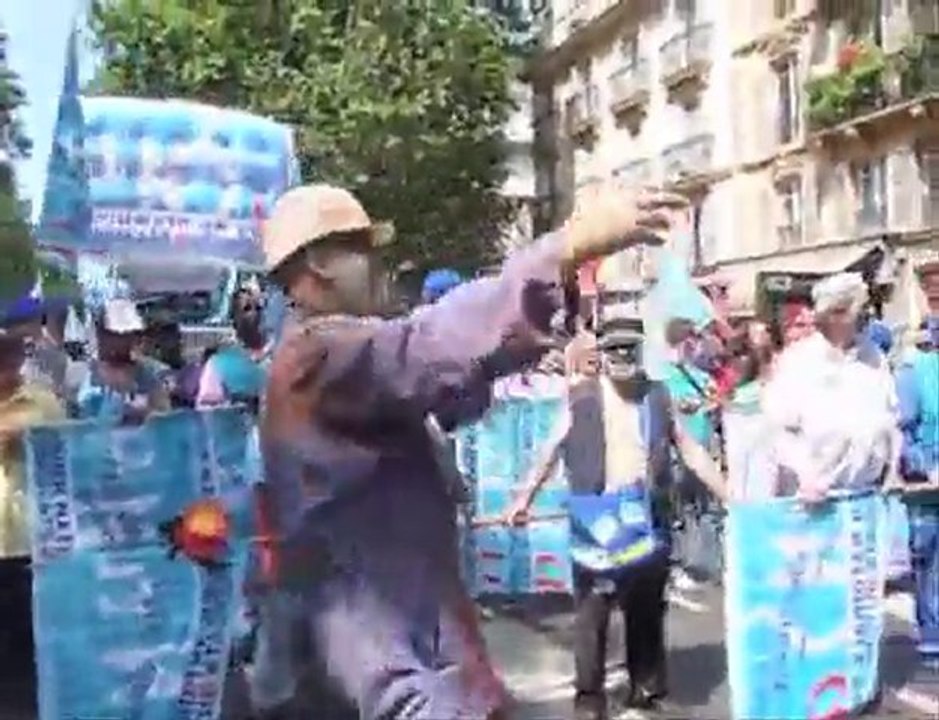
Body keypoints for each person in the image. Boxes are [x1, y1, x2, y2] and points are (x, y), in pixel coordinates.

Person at [260, 181, 686, 719]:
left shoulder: (330, 352)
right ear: (320, 263)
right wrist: (562, 248)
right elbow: (432, 345)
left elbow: (451, 388)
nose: (379, 266)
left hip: (406, 628)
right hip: (379, 645)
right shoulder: (316, 357)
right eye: (364, 250)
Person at [504, 329, 685, 718]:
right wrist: (524, 498)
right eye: (614, 348)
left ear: (640, 350)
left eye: (629, 347)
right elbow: (551, 447)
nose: (622, 354)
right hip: (597, 520)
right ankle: (589, 698)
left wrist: (730, 496)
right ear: (603, 354)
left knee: (646, 607)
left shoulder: (658, 395)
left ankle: (646, 686)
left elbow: (688, 447)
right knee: (592, 610)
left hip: (646, 516)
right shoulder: (581, 397)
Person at [763, 273, 899, 500]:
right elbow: (778, 430)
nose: (864, 316)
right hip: (819, 500)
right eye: (856, 309)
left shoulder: (873, 357)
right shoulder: (799, 361)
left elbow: (892, 417)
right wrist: (806, 475)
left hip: (869, 496)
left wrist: (892, 468)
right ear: (833, 314)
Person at [0, 310, 65, 708]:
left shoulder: (42, 402)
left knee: (31, 654)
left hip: (33, 548)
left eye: (8, 355)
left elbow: (70, 452)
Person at [894, 314, 939, 659]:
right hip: (927, 489)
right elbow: (900, 431)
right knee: (928, 563)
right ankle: (932, 638)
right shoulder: (915, 373)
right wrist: (926, 467)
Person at [73, 299, 170, 422]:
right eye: (116, 335)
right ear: (101, 334)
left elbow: (164, 413)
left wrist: (148, 411)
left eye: (128, 334)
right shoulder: (83, 375)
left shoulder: (147, 376)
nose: (123, 340)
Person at [196, 287, 269, 411]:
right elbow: (207, 411)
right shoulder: (219, 364)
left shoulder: (285, 355)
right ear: (235, 320)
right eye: (247, 309)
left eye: (259, 308)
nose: (255, 314)